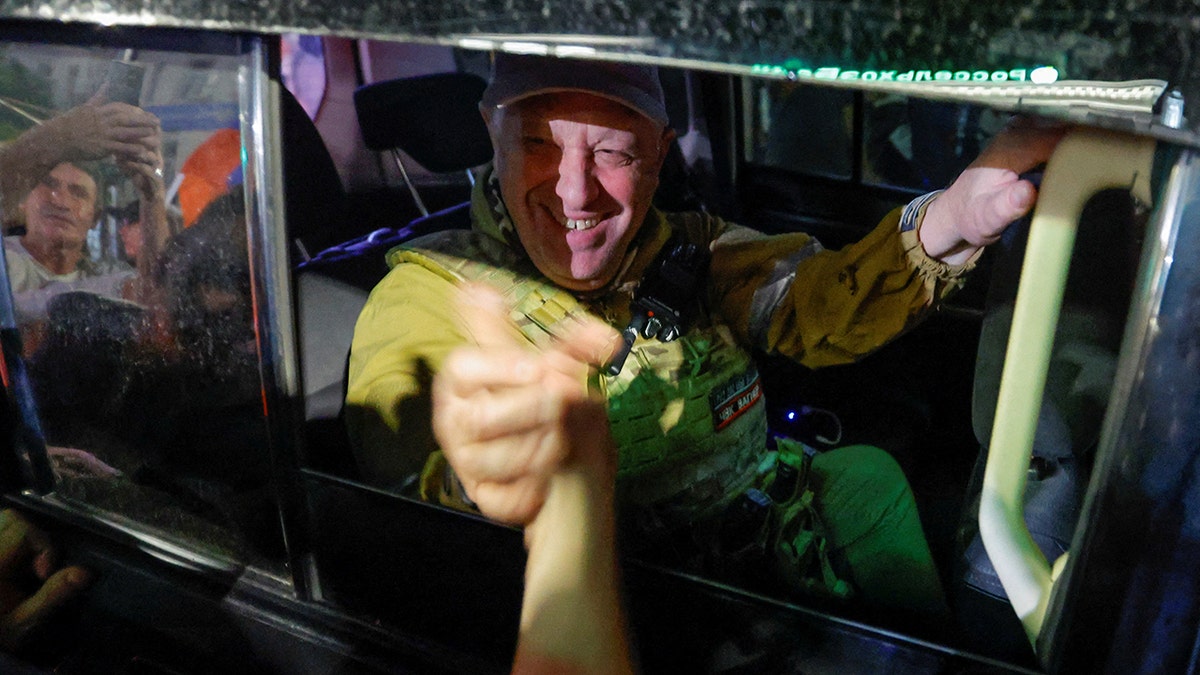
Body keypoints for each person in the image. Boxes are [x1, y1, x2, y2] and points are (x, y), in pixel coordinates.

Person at [345, 54, 1064, 623]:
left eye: (612, 153)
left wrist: (952, 223)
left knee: (865, 475)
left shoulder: (691, 248)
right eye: (537, 142)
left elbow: (816, 303)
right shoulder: (428, 297)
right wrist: (487, 478)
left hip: (762, 536)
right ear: (488, 132)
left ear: (659, 155)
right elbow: (405, 517)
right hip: (643, 604)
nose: (573, 191)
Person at [0, 94, 167, 324]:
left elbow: (158, 298)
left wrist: (153, 195)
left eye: (78, 193)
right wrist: (60, 137)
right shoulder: (5, 261)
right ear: (22, 198)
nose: (60, 201)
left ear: (95, 218)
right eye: (48, 185)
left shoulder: (104, 274)